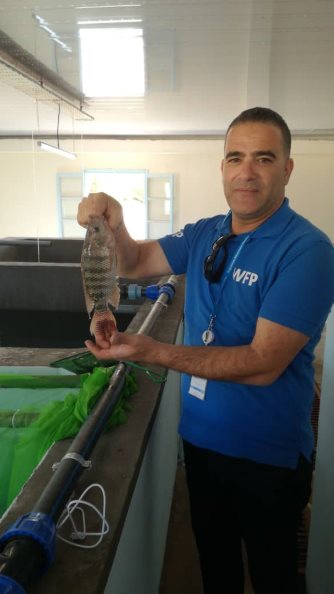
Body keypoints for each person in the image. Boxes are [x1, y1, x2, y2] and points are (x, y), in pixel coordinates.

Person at [77, 107, 334, 594]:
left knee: (274, 576)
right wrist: (113, 223)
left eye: (263, 158)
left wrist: (152, 351)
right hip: (200, 443)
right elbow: (133, 262)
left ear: (287, 168)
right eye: (235, 157)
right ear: (222, 167)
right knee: (215, 570)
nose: (247, 171)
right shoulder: (205, 233)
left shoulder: (308, 250)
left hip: (268, 458)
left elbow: (262, 365)